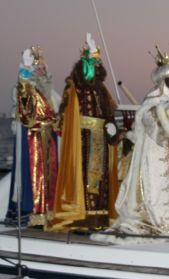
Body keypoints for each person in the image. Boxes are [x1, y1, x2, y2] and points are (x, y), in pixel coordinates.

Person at [103, 45, 169, 241]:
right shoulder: (152, 105)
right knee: (156, 192)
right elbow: (154, 128)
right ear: (162, 82)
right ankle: (156, 222)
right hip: (155, 157)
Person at [48, 33, 118, 230]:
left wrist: (112, 127)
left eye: (97, 63)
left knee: (100, 180)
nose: (96, 67)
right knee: (85, 180)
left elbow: (108, 113)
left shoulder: (103, 91)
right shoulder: (74, 89)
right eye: (92, 63)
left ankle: (99, 218)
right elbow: (65, 116)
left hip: (100, 139)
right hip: (83, 139)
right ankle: (82, 218)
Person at [7, 47, 59, 227]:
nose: (41, 70)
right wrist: (25, 72)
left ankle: (49, 210)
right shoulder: (23, 88)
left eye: (43, 68)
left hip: (48, 139)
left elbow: (58, 112)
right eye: (38, 67)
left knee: (49, 176)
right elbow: (23, 103)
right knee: (31, 174)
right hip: (30, 138)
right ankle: (30, 210)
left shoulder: (50, 93)